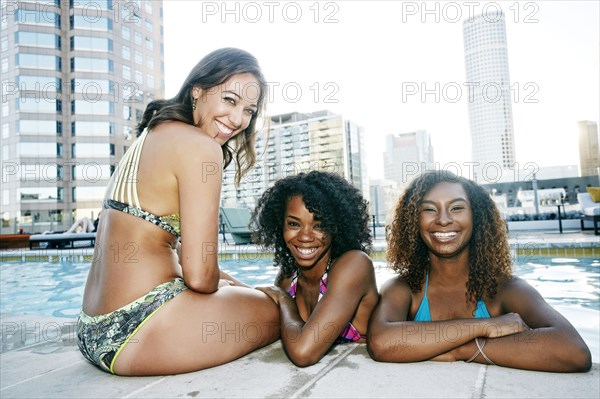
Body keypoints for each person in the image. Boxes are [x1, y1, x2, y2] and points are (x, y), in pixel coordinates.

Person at [77, 48, 280, 376]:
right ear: (197, 90)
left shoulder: (151, 134)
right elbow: (200, 277)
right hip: (140, 330)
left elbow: (177, 250)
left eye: (249, 110)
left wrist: (237, 286)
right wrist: (241, 291)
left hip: (91, 329)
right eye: (229, 100)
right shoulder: (202, 148)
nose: (238, 119)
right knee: (277, 309)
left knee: (253, 294)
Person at [367, 170, 592, 372]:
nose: (443, 220)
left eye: (456, 208)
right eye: (429, 209)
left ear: (477, 217)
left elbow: (574, 351)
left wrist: (461, 350)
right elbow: (381, 343)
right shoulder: (404, 288)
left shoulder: (505, 289)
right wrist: (486, 326)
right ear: (413, 220)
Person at [251, 171, 379, 367]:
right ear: (280, 225)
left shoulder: (354, 265)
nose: (305, 236)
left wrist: (285, 299)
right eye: (294, 224)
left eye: (319, 225)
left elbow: (303, 353)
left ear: (336, 227)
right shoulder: (288, 277)